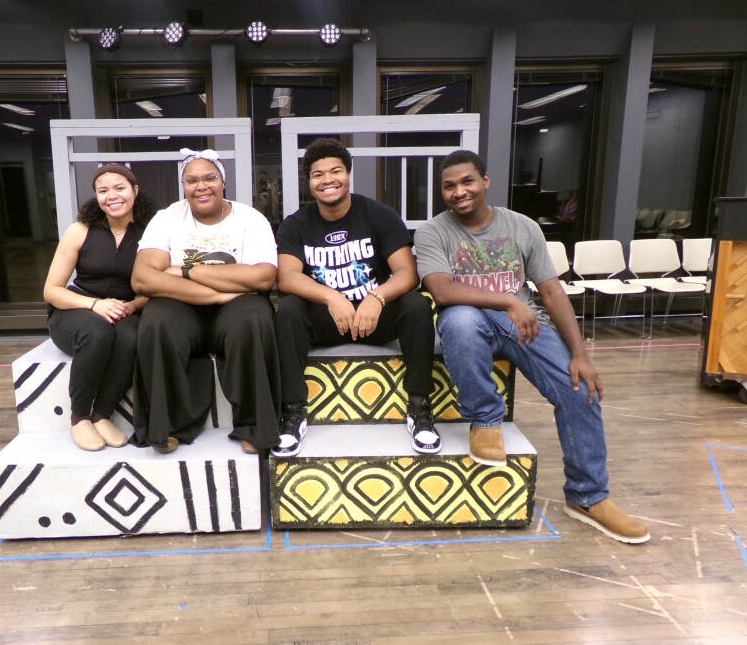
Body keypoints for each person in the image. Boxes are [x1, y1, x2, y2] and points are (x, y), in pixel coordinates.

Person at [414, 149, 649, 544]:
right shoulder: (433, 232)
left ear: (485, 181)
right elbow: (443, 289)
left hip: (526, 327)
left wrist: (580, 355)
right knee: (458, 318)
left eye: (467, 181)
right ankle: (485, 420)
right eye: (449, 186)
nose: (459, 191)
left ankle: (588, 497)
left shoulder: (522, 227)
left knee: (580, 391)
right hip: (471, 325)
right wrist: (509, 300)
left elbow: (552, 291)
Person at [273, 138, 438, 458]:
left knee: (416, 304)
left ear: (349, 175)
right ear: (309, 183)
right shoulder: (296, 224)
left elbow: (407, 272)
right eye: (318, 174)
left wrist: (376, 297)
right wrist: (331, 298)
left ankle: (419, 407)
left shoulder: (379, 214)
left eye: (335, 171)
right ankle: (293, 411)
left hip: (372, 318)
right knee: (289, 309)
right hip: (327, 319)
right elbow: (287, 277)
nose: (327, 180)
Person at [130, 148, 280, 455]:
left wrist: (184, 270)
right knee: (157, 319)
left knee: (254, 316)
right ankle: (167, 426)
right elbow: (143, 279)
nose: (201, 186)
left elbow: (263, 278)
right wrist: (223, 289)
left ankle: (255, 426)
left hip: (236, 310)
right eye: (192, 180)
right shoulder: (167, 219)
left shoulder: (250, 219)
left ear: (223, 182)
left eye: (210, 178)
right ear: (183, 185)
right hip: (184, 307)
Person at [44, 163, 157, 452]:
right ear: (95, 196)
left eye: (119, 188)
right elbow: (52, 291)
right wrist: (95, 305)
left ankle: (102, 414)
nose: (112, 196)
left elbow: (160, 283)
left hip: (126, 308)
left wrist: (133, 305)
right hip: (76, 309)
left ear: (134, 191)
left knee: (132, 337)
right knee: (97, 332)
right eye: (103, 191)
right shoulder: (79, 231)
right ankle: (80, 416)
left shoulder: (152, 233)